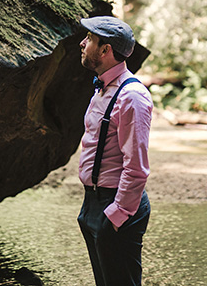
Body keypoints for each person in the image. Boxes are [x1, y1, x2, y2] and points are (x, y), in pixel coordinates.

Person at [77, 15, 153, 286]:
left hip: (116, 206)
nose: (82, 43)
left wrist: (117, 215)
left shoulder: (131, 96)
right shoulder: (102, 89)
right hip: (93, 203)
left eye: (90, 40)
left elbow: (137, 167)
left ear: (106, 50)